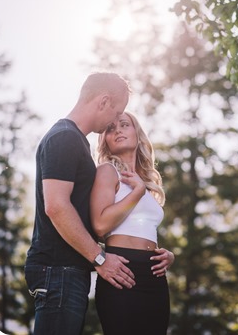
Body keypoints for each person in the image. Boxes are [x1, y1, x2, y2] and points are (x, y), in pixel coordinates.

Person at [24, 72, 136, 335]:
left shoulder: (75, 140)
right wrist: (100, 258)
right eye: (116, 111)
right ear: (103, 101)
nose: (114, 120)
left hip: (66, 271)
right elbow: (57, 207)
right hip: (57, 271)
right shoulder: (65, 138)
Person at [90, 110, 175, 335]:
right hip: (121, 271)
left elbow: (143, 227)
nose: (117, 129)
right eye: (110, 128)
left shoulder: (145, 183)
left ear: (137, 134)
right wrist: (136, 193)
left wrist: (168, 255)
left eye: (124, 124)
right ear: (105, 141)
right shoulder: (107, 172)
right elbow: (100, 225)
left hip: (155, 275)